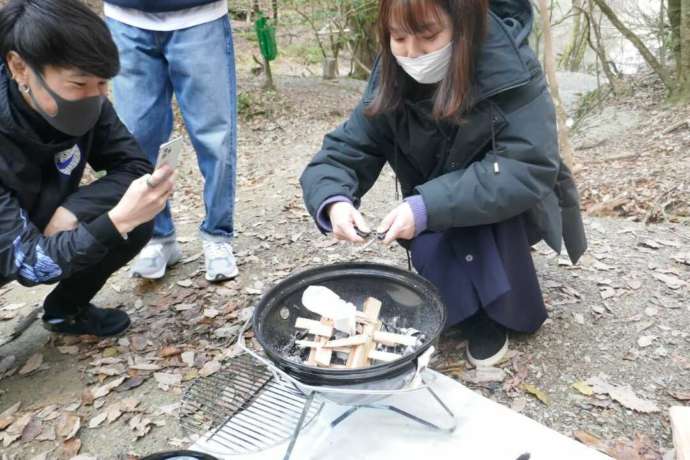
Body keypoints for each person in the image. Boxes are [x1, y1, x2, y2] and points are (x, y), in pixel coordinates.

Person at [301, 0, 587, 367]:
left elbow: (527, 164)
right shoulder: (391, 75)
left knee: (478, 226)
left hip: (512, 199)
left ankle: (496, 316)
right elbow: (343, 151)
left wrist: (426, 207)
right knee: (435, 238)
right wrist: (334, 200)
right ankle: (462, 304)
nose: (412, 53)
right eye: (399, 37)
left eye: (428, 36)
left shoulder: (509, 66)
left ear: (461, 24)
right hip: (436, 192)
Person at [0, 0, 175, 337]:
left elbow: (134, 165)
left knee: (134, 218)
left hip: (41, 216)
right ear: (20, 68)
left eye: (102, 84)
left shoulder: (90, 101)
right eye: (78, 85)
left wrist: (74, 209)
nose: (94, 97)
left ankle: (66, 311)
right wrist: (115, 220)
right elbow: (33, 266)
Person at [103, 0, 239, 282]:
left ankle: (218, 235)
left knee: (215, 139)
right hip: (125, 17)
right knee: (136, 139)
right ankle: (157, 237)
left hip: (200, 16)